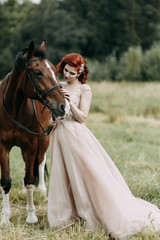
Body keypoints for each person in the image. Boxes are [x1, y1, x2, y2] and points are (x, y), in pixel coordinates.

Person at [48, 53, 160, 239]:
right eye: (65, 71)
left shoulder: (85, 89)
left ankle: (96, 211)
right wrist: (52, 120)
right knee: (62, 174)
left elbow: (82, 118)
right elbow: (54, 114)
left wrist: (68, 102)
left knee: (86, 173)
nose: (67, 75)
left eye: (72, 73)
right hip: (59, 135)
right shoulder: (58, 86)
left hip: (76, 135)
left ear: (80, 73)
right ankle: (68, 214)